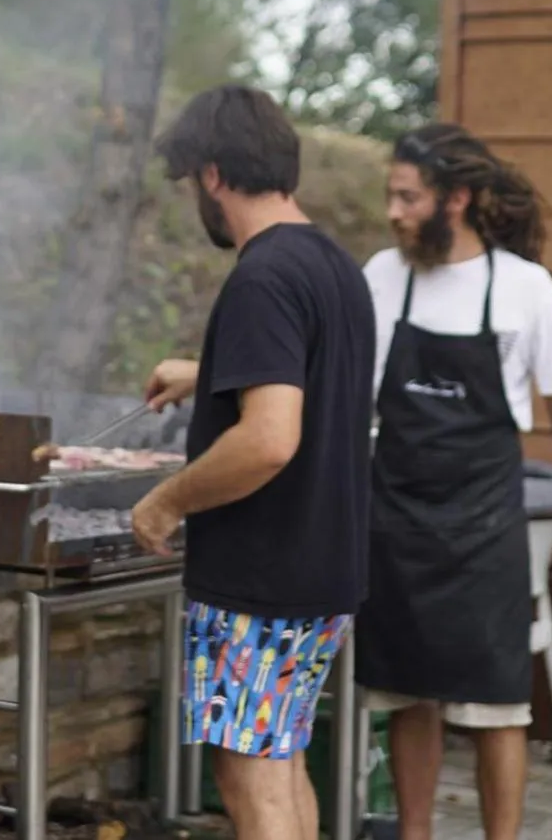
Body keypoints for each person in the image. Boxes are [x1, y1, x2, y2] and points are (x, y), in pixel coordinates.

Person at [131, 86, 376, 840]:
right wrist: (205, 372)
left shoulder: (261, 277)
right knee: (282, 760)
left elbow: (270, 437)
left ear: (212, 175)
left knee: (251, 777)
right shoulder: (334, 266)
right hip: (320, 566)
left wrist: (167, 500)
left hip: (260, 579)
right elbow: (302, 374)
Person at [356, 123, 552, 840]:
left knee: (499, 704)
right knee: (409, 694)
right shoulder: (383, 275)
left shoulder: (525, 287)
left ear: (457, 198)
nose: (394, 211)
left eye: (408, 197)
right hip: (398, 518)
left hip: (483, 525)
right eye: (391, 195)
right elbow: (333, 380)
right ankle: (416, 834)